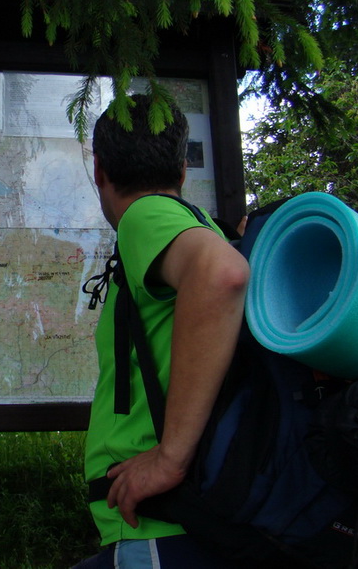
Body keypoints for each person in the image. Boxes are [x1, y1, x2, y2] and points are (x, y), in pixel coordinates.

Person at [74, 94, 250, 568]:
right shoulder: (197, 223)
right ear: (182, 171)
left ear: (100, 172)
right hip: (179, 524)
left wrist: (170, 457)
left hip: (162, 527)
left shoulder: (147, 216)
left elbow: (221, 274)